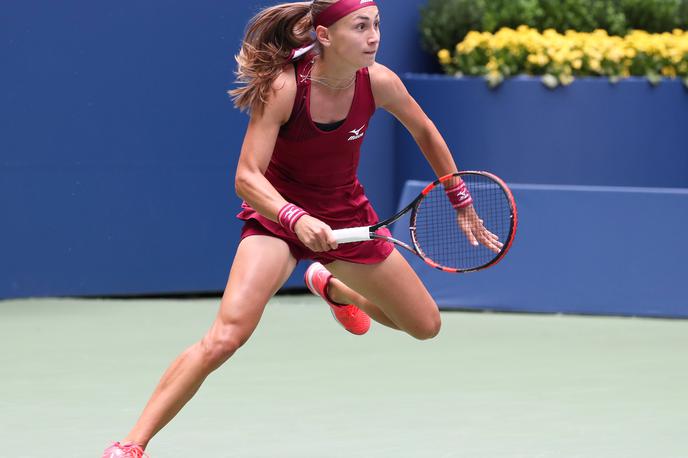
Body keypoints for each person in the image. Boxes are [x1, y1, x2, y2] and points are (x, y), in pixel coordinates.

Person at [103, 0, 500, 456]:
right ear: (326, 36)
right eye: (360, 27)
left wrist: (459, 198)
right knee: (225, 337)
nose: (374, 37)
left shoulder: (380, 82)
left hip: (345, 217)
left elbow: (425, 131)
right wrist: (295, 217)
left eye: (377, 26)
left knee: (425, 325)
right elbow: (246, 177)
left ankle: (335, 289)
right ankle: (131, 445)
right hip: (278, 220)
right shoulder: (285, 86)